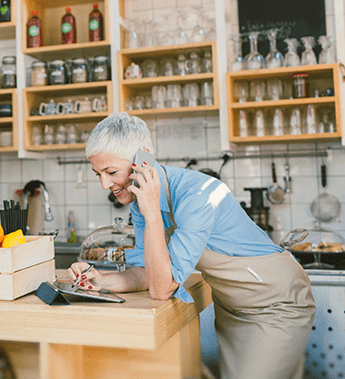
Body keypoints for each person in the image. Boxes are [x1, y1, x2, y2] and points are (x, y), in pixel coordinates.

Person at [68, 112, 315, 379]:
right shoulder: (142, 203)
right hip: (233, 309)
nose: (105, 184)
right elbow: (147, 272)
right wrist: (103, 280)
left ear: (143, 159)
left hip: (276, 303)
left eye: (111, 172)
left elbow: (162, 289)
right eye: (98, 174)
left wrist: (152, 215)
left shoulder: (197, 196)